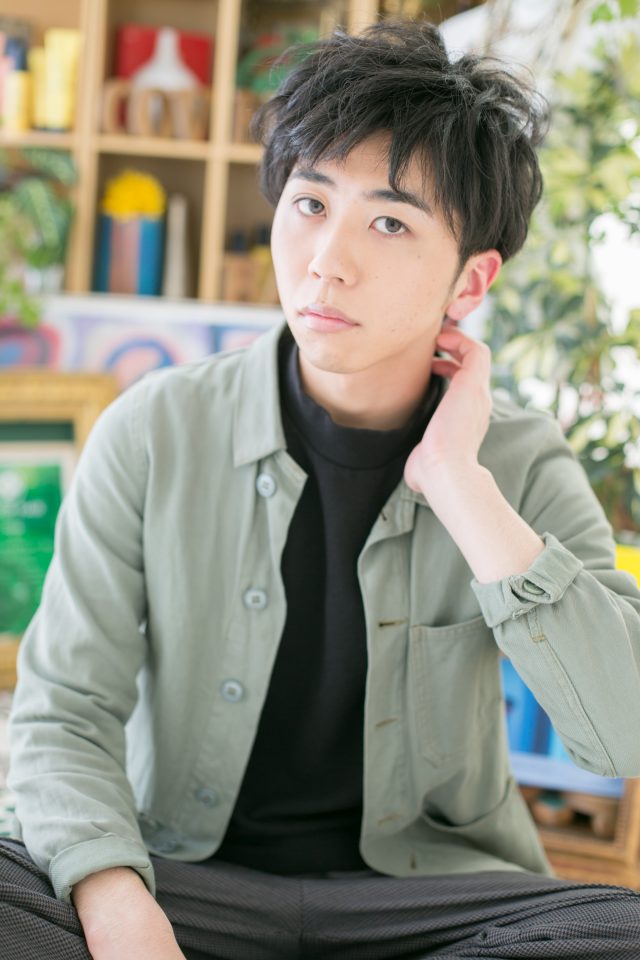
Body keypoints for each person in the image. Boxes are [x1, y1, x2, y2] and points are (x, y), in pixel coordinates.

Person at [2, 19, 640, 960]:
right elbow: (63, 713)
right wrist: (119, 907)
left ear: (471, 282)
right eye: (309, 203)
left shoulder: (521, 462)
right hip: (184, 878)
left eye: (389, 222)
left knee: (621, 934)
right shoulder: (154, 428)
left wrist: (459, 483)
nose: (325, 260)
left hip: (423, 907)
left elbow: (623, 734)